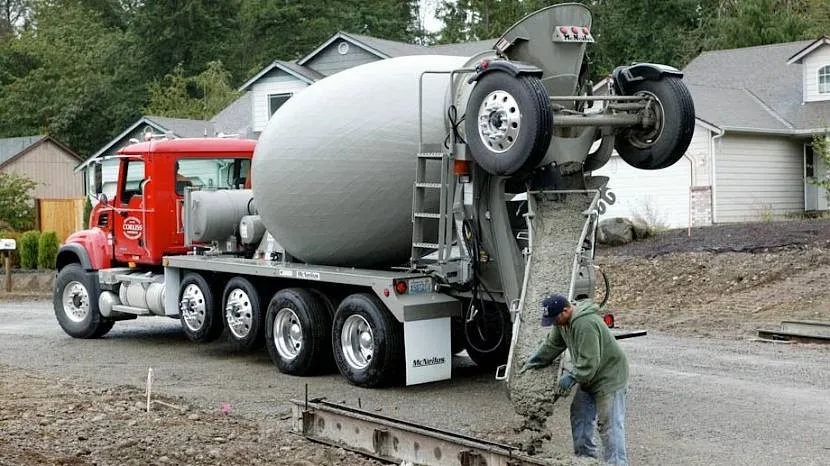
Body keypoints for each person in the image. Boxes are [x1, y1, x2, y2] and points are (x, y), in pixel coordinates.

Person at [521, 294, 629, 465]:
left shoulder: (584, 323)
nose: (554, 323)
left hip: (609, 377)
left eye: (555, 319)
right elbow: (553, 345)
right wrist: (536, 360)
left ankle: (617, 463)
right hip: (589, 377)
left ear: (566, 310)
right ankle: (585, 460)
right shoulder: (562, 323)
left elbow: (590, 362)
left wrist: (571, 377)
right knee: (580, 414)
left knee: (609, 426)